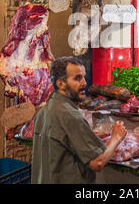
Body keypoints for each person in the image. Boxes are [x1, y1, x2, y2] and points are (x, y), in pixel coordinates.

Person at [31, 56, 127, 184]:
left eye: (83, 77)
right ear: (60, 83)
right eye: (77, 78)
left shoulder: (44, 111)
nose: (84, 83)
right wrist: (117, 137)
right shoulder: (69, 115)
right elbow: (97, 162)